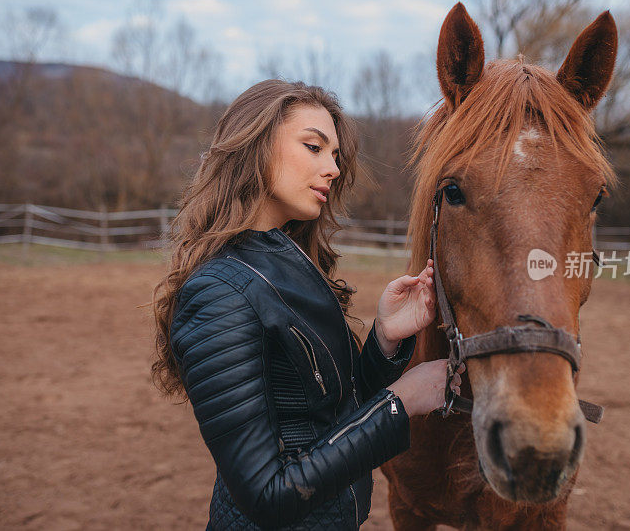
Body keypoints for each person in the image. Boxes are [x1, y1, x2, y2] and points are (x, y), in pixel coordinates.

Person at [151, 79, 464, 530]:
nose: (333, 169)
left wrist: (385, 337)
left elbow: (332, 411)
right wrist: (400, 402)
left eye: (335, 155)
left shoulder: (291, 262)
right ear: (256, 146)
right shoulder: (217, 292)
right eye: (314, 147)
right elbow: (267, 496)